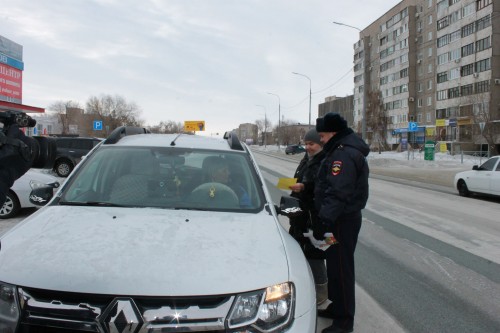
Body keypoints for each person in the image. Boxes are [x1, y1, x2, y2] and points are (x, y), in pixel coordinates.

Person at [313, 112, 369, 333]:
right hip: (339, 219)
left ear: (333, 133)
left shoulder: (342, 156)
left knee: (342, 270)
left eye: (323, 136)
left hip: (341, 221)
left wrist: (323, 221)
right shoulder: (339, 150)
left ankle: (344, 322)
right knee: (335, 267)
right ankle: (338, 308)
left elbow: (338, 192)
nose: (322, 141)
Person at [287, 128, 328, 305]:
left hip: (315, 216)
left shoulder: (325, 161)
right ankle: (303, 285)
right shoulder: (307, 159)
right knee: (296, 248)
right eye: (306, 144)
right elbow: (302, 179)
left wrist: (304, 187)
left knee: (315, 253)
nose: (308, 147)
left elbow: (322, 186)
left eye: (311, 144)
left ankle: (321, 291)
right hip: (300, 213)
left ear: (320, 144)